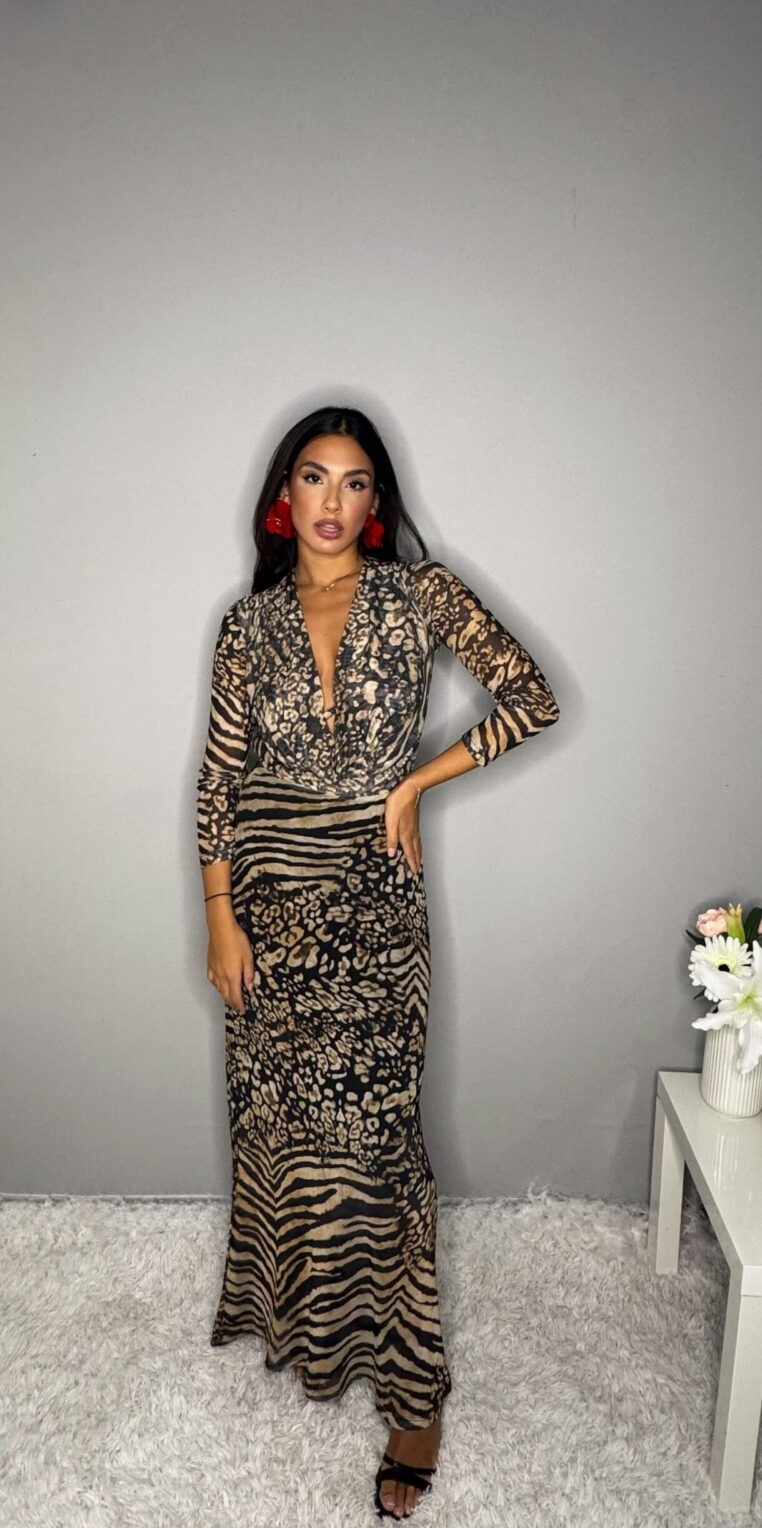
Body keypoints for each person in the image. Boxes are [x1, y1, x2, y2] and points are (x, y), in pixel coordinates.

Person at [196, 406, 560, 1520]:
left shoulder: (419, 596)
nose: (332, 500)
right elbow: (218, 783)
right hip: (265, 912)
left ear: (376, 504)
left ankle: (413, 1394)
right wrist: (218, 918)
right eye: (314, 477)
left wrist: (414, 782)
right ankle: (309, 1331)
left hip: (373, 916)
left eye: (355, 483)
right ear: (284, 496)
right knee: (282, 1129)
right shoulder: (246, 623)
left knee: (380, 1147)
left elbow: (531, 697)